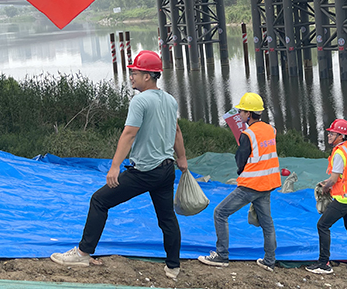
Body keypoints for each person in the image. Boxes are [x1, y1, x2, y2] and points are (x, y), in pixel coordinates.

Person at [50, 51, 187, 280]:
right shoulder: (170, 100)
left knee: (99, 200)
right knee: (167, 219)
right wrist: (181, 159)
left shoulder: (140, 100)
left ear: (148, 76)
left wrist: (114, 167)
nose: (131, 76)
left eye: (134, 72)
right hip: (166, 170)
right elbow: (177, 131)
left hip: (145, 171)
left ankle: (83, 253)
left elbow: (129, 134)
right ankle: (173, 266)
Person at [199, 93, 280, 271]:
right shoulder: (270, 130)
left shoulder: (247, 134)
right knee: (267, 223)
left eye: (242, 111)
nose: (240, 114)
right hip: (267, 184)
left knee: (220, 213)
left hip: (250, 185)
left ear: (249, 114)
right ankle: (269, 261)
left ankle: (221, 255)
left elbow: (240, 161)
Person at [306, 119, 347, 274]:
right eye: (329, 133)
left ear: (341, 135)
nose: (329, 136)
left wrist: (325, 188)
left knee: (322, 225)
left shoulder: (339, 153)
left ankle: (324, 263)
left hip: (343, 199)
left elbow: (334, 179)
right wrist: (330, 182)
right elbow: (344, 174)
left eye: (332, 133)